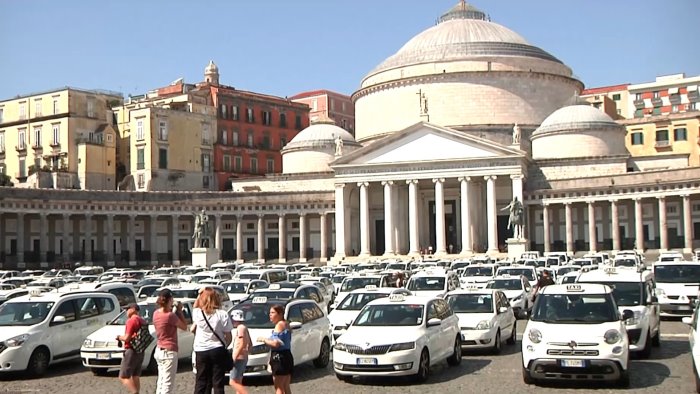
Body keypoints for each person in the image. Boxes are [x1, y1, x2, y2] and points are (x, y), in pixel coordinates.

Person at [192, 287, 233, 394]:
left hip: (201, 349)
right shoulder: (222, 314)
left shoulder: (198, 314)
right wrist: (225, 345)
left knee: (201, 380)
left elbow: (195, 306)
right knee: (218, 381)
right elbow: (228, 335)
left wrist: (200, 293)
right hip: (217, 348)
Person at [152, 288, 188, 394]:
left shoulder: (156, 314)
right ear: (170, 299)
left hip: (159, 349)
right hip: (169, 351)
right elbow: (184, 326)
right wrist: (180, 311)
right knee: (167, 384)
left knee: (161, 382)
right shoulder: (170, 316)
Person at [257, 305, 293, 394]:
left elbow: (276, 344)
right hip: (287, 356)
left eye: (273, 313)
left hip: (279, 357)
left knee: (279, 387)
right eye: (269, 313)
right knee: (286, 386)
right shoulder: (286, 324)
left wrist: (264, 339)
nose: (270, 315)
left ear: (280, 314)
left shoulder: (279, 325)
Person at [116, 303, 146, 394]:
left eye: (127, 309)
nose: (126, 311)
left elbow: (127, 338)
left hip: (131, 350)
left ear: (133, 309)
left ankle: (134, 392)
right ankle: (137, 391)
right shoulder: (142, 320)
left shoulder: (131, 321)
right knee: (135, 375)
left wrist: (119, 337)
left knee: (123, 377)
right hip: (140, 350)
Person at [229, 309, 252, 394]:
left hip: (238, 357)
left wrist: (235, 356)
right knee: (238, 381)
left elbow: (242, 343)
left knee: (232, 382)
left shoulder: (240, 328)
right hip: (243, 357)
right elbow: (250, 343)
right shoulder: (244, 328)